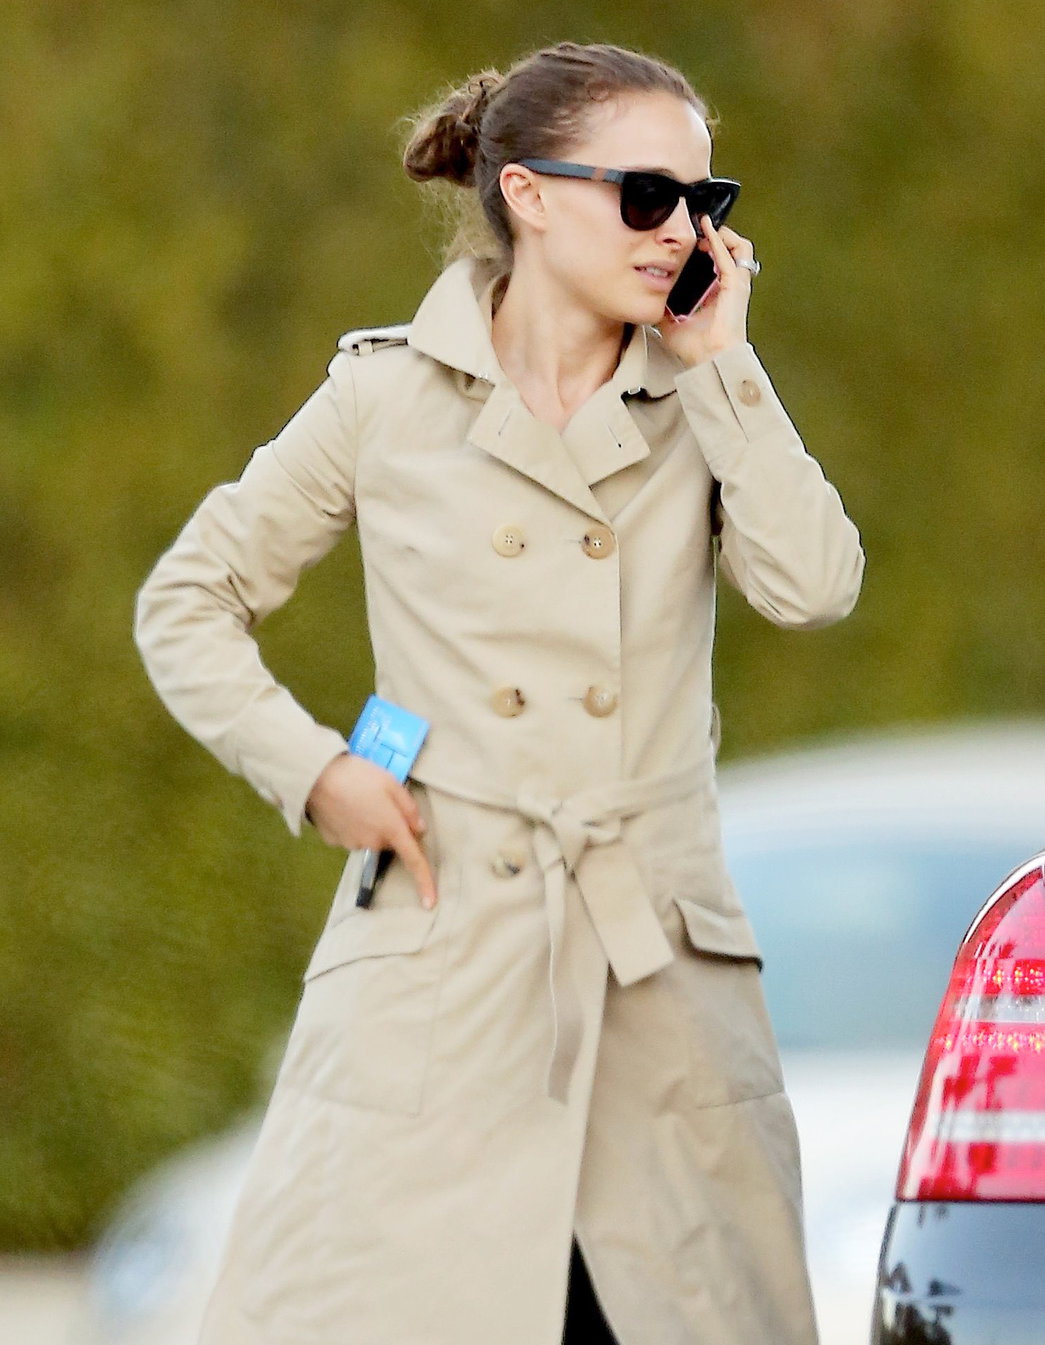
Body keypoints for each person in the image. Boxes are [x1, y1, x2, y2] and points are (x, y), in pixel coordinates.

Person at [134, 40, 864, 1345]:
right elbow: (187, 600)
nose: (683, 230)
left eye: (708, 202)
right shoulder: (381, 394)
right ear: (527, 195)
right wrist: (315, 771)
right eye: (648, 196)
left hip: (660, 988)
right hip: (440, 979)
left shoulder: (702, 391)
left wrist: (726, 366)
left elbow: (811, 588)